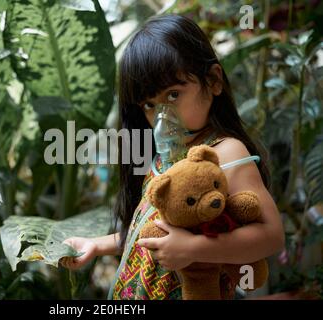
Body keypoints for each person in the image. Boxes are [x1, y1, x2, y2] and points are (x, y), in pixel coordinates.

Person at [60, 14, 284, 300]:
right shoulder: (161, 161)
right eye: (150, 104)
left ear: (213, 81)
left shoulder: (225, 152)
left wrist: (193, 249)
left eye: (174, 95)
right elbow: (157, 232)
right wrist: (96, 244)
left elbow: (271, 236)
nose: (163, 116)